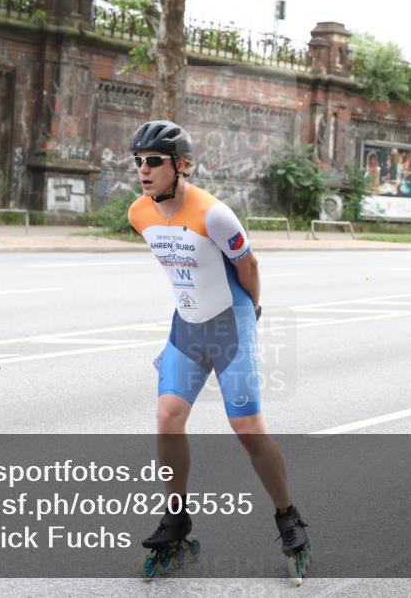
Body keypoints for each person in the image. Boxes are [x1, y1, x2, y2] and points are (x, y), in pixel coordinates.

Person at [126, 120, 311, 583]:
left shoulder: (215, 214)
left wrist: (253, 312)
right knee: (168, 415)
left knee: (246, 428)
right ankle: (176, 518)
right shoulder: (139, 213)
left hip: (231, 325)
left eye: (154, 162)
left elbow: (248, 265)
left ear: (181, 165)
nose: (144, 171)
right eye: (139, 162)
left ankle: (288, 516)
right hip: (186, 327)